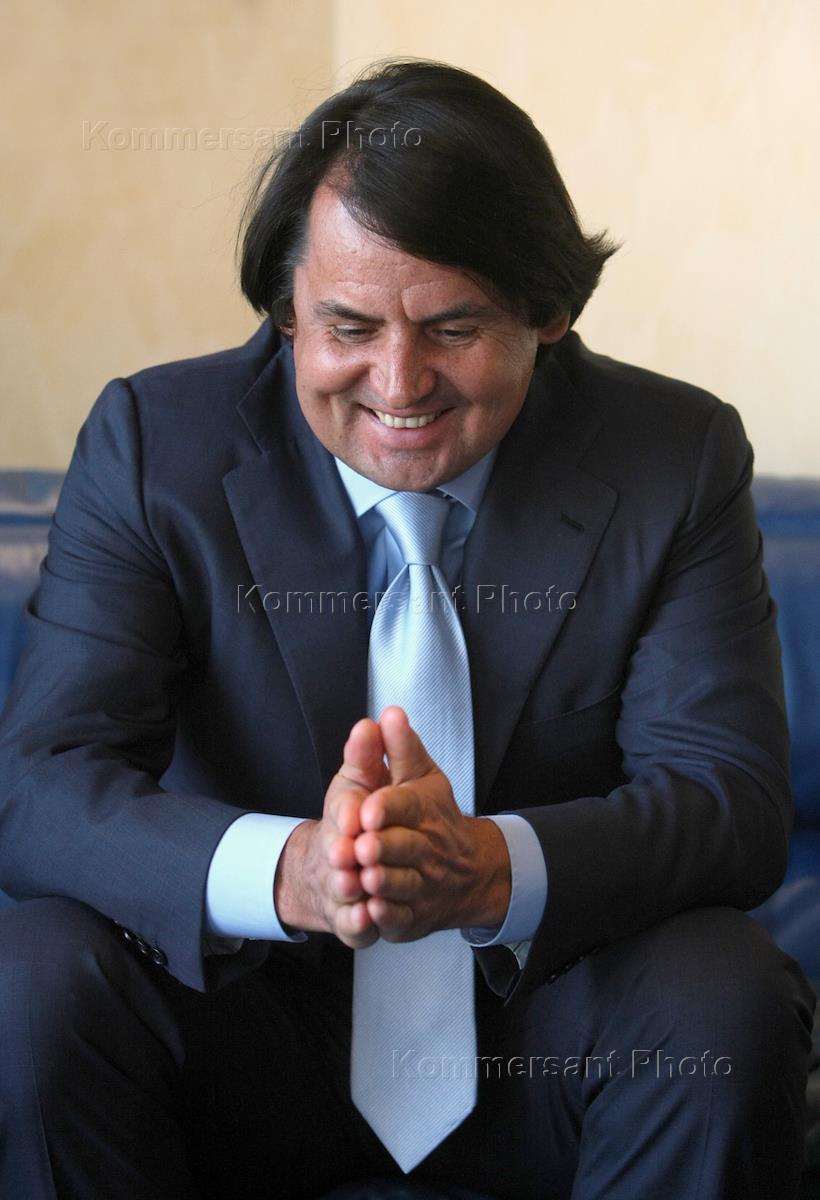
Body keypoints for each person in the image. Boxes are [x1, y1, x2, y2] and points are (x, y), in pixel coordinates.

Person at [0, 58, 814, 1200]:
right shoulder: (155, 447)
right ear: (287, 311)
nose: (398, 382)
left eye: (452, 326)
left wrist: (487, 869)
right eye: (347, 326)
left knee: (721, 992)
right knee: (32, 978)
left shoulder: (670, 459)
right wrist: (294, 872)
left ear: (548, 312)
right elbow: (41, 785)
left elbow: (729, 803)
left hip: (545, 1043)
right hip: (238, 1039)